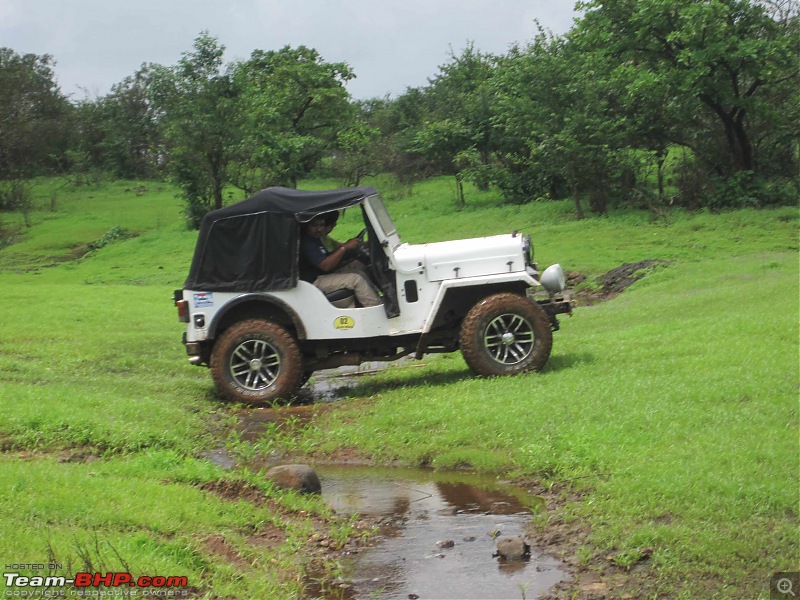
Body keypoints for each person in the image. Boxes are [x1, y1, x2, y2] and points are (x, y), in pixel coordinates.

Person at [299, 215, 382, 307]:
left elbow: (328, 256)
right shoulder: (306, 242)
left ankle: (377, 299)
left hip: (321, 274)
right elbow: (325, 266)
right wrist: (344, 247)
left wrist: (349, 249)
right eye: (314, 226)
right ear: (306, 225)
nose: (318, 229)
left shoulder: (315, 239)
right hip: (313, 281)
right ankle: (375, 309)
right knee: (356, 279)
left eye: (321, 225)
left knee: (359, 269)